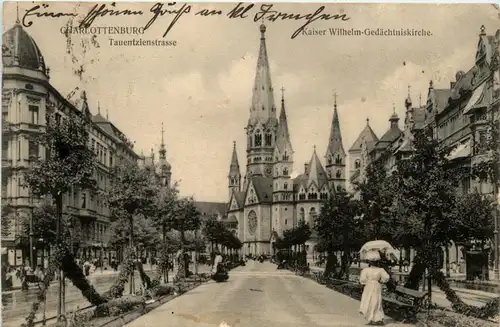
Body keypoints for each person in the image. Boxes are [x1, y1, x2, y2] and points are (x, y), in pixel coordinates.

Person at [359, 250, 391, 326]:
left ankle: (372, 318)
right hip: (376, 285)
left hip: (369, 286)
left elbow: (362, 280)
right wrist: (381, 280)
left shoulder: (366, 270)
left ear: (369, 262)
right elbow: (386, 278)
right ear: (377, 262)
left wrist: (367, 281)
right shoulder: (380, 270)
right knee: (376, 301)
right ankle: (376, 318)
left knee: (369, 301)